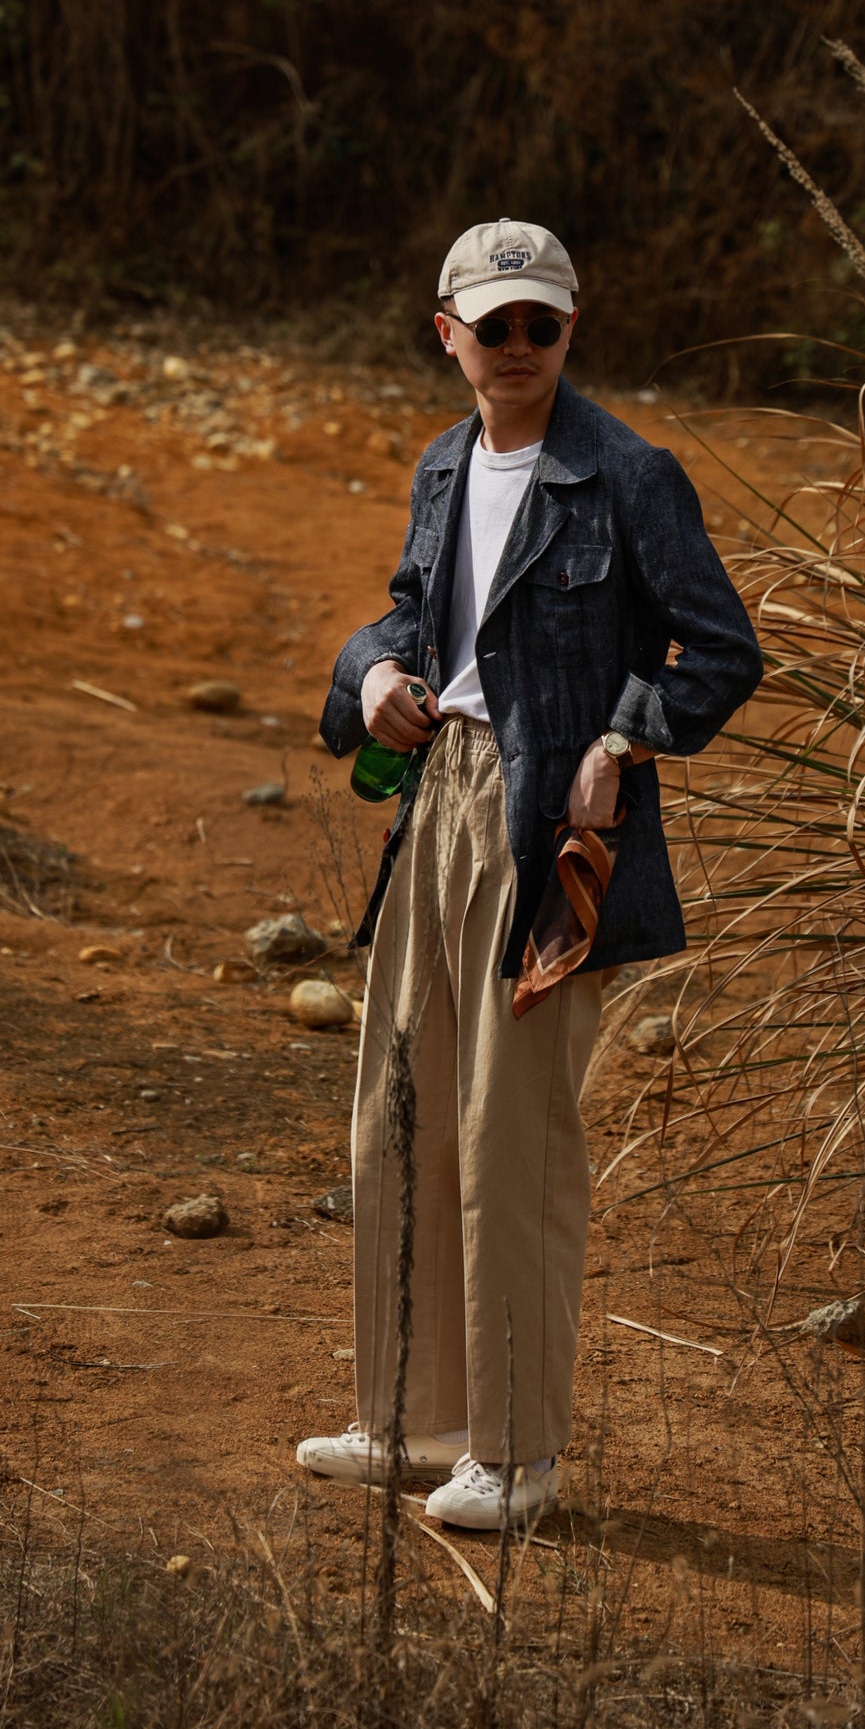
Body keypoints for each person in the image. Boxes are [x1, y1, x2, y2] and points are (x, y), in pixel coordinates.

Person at [297, 218, 763, 1529]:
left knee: (511, 1138)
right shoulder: (443, 466)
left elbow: (718, 653)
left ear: (569, 329)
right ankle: (402, 1417)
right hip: (433, 802)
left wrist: (623, 735)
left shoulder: (629, 474)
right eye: (488, 325)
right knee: (396, 1110)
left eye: (536, 326)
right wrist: (372, 672)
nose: (513, 348)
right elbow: (407, 614)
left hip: (550, 830)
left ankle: (515, 1452)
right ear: (444, 331)